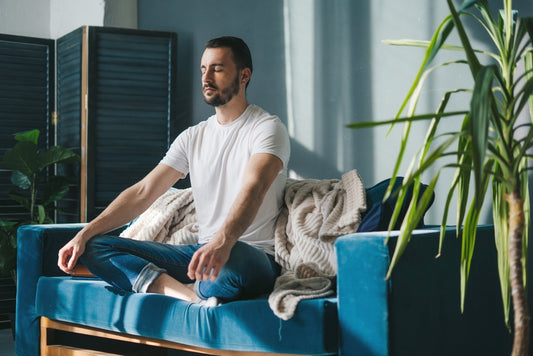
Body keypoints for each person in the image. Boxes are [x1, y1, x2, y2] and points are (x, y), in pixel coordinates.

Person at [57, 36, 291, 305]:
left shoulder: (266, 128)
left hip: (249, 256)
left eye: (217, 68)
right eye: (203, 69)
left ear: (244, 76)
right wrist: (84, 234)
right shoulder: (193, 137)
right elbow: (144, 191)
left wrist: (223, 242)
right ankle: (188, 294)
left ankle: (201, 285)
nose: (206, 77)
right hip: (200, 254)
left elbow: (255, 188)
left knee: (234, 261)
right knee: (96, 247)